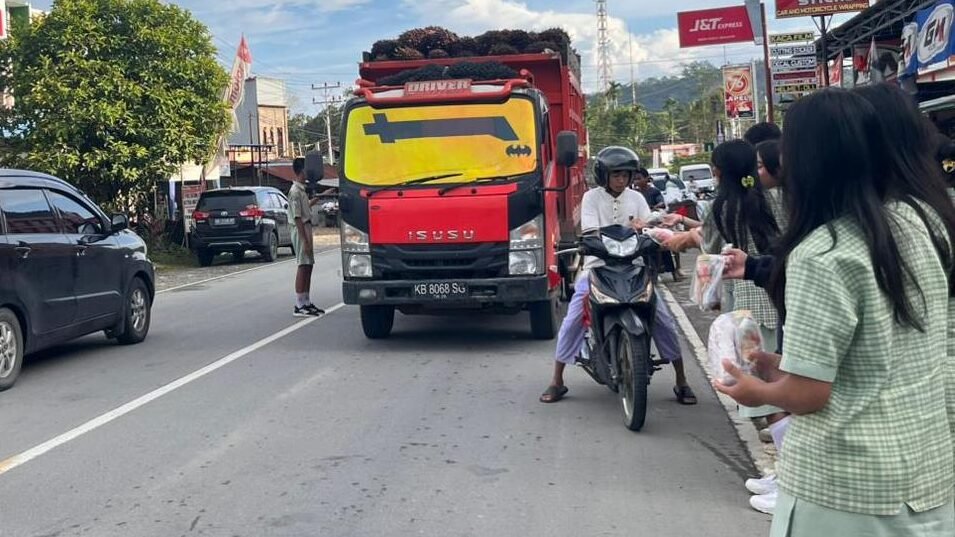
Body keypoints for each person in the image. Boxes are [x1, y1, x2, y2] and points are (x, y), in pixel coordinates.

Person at [715, 88, 955, 537]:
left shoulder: (822, 253)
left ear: (809, 161)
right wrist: (785, 365)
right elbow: (879, 356)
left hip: (844, 487)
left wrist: (755, 391)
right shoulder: (919, 223)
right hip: (926, 474)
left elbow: (809, 393)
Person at [540, 146, 697, 405]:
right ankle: (557, 380)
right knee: (573, 318)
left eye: (625, 175)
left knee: (663, 319)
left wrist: (650, 230)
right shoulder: (591, 198)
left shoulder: (637, 199)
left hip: (633, 266)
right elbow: (590, 231)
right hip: (598, 266)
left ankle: (681, 380)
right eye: (616, 175)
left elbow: (648, 225)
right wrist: (610, 235)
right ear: (604, 175)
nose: (621, 180)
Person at [289, 157, 325, 317]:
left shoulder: (302, 190)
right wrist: (304, 240)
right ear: (302, 170)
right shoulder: (295, 191)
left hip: (307, 227)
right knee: (303, 265)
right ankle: (299, 304)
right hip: (300, 229)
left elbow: (306, 207)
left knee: (309, 265)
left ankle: (306, 301)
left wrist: (321, 196)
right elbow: (297, 217)